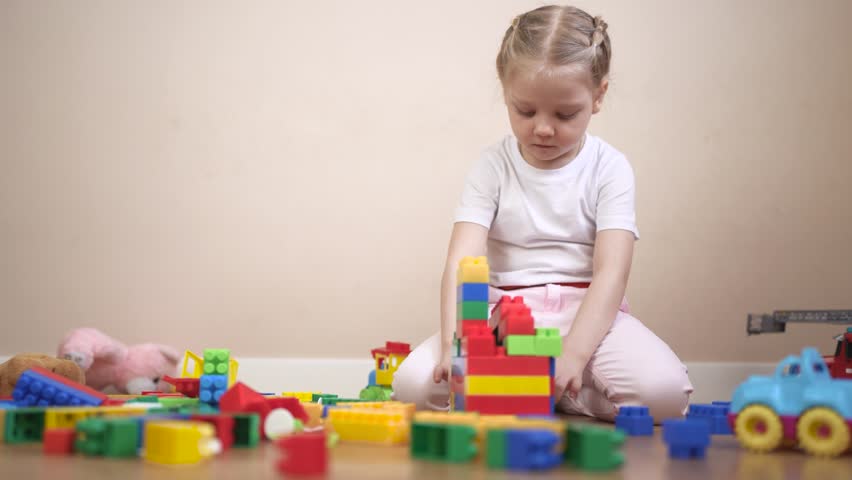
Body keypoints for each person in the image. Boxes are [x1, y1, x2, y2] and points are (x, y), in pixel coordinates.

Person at [392, 5, 693, 421]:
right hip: (503, 319)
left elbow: (611, 273)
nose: (544, 129)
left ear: (599, 96)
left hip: (586, 316)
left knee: (665, 395)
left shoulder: (610, 168)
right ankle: (530, 386)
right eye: (525, 111)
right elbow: (461, 260)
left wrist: (573, 354)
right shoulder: (492, 165)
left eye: (565, 114)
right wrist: (452, 345)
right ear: (505, 91)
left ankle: (556, 390)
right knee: (414, 388)